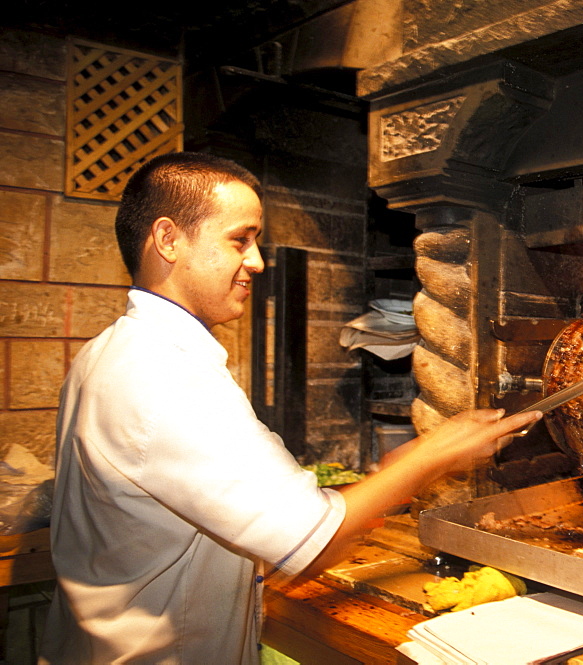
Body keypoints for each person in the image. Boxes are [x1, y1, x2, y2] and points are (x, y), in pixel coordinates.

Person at [39, 152, 541, 663]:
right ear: (169, 239)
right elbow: (316, 543)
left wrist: (379, 478)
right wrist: (434, 454)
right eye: (240, 239)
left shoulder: (112, 349)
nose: (256, 261)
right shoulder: (162, 374)